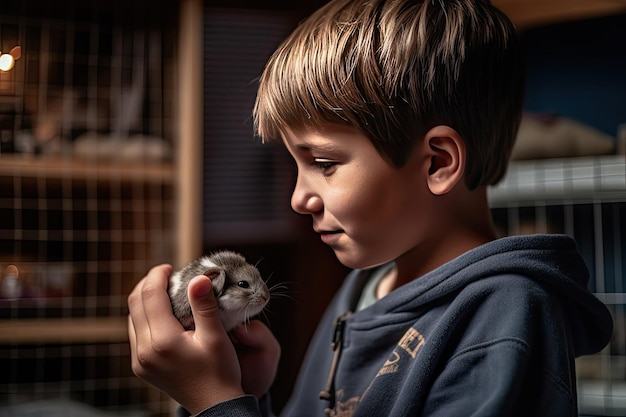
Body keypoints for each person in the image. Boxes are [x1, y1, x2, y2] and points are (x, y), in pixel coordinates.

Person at [127, 0, 614, 415]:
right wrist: (248, 394)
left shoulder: (505, 318)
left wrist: (214, 402)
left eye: (323, 162)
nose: (299, 198)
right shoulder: (363, 290)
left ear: (438, 163)